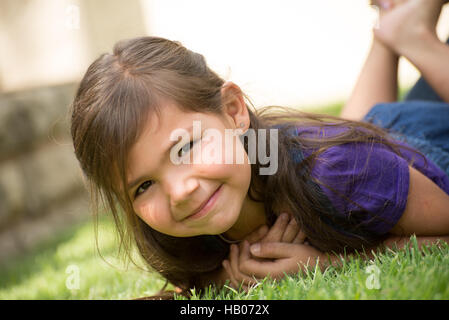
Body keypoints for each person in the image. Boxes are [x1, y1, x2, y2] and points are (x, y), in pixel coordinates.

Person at [70, 0, 449, 299]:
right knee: (354, 136)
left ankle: (411, 35)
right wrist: (229, 276)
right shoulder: (185, 234)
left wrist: (331, 262)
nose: (179, 191)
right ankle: (390, 32)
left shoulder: (340, 168)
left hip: (428, 138)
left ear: (233, 111)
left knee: (345, 155)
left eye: (185, 148)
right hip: (365, 139)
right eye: (143, 186)